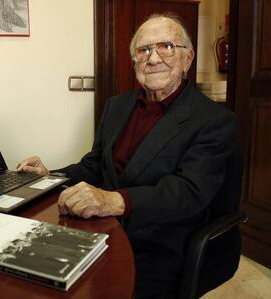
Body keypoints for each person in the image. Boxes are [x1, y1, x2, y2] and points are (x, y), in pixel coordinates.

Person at [17, 13, 238, 299]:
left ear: (188, 58)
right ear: (134, 60)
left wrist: (112, 200)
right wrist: (52, 176)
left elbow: (188, 193)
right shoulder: (117, 106)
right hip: (102, 227)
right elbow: (94, 165)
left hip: (160, 242)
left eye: (167, 47)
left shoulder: (214, 120)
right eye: (144, 50)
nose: (154, 58)